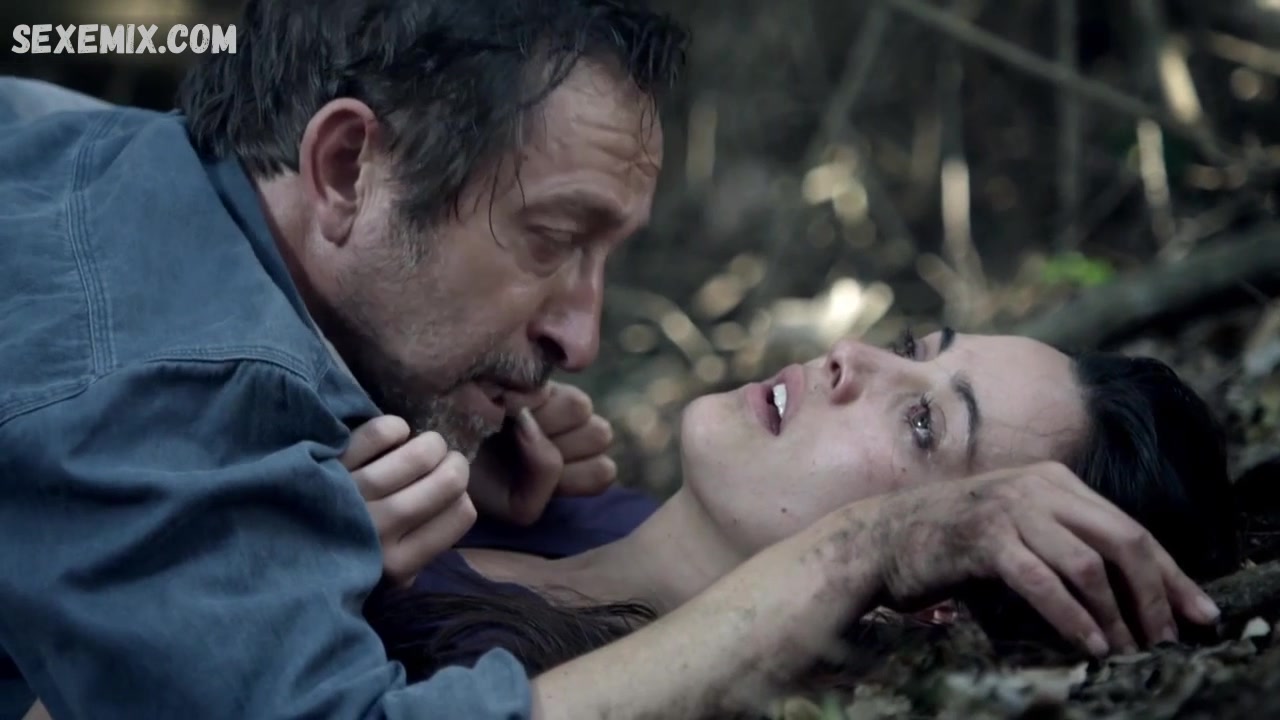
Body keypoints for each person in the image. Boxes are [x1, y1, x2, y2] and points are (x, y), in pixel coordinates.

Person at [0, 3, 1224, 720]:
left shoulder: (130, 199)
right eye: (551, 237)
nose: (577, 338)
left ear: (946, 588)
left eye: (923, 426)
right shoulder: (179, 394)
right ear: (343, 168)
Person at [352, 329, 1242, 683]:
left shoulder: (528, 688)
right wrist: (445, 442)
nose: (851, 355)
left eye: (923, 423)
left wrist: (318, 560)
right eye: (912, 347)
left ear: (933, 587)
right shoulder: (559, 503)